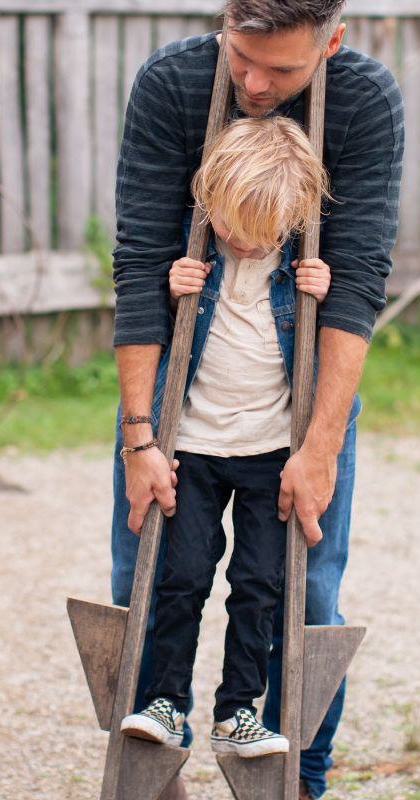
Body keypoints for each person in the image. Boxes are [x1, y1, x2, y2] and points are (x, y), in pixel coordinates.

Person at [110, 1, 403, 797]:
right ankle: (151, 767)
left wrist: (319, 447)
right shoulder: (173, 86)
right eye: (241, 57)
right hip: (183, 413)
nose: (252, 81)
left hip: (289, 419)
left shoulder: (364, 102)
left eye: (281, 69)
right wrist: (141, 438)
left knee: (300, 592)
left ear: (332, 42)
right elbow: (140, 259)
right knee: (144, 577)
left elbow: (355, 285)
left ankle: (292, 780)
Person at [116, 117, 332, 760]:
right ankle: (165, 701)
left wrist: (326, 292)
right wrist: (172, 284)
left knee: (262, 582)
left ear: (292, 219)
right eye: (230, 226)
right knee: (180, 577)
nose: (240, 242)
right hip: (196, 447)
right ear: (209, 203)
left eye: (259, 234)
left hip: (270, 451)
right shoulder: (192, 259)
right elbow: (144, 314)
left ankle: (239, 709)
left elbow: (331, 347)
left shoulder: (303, 271)